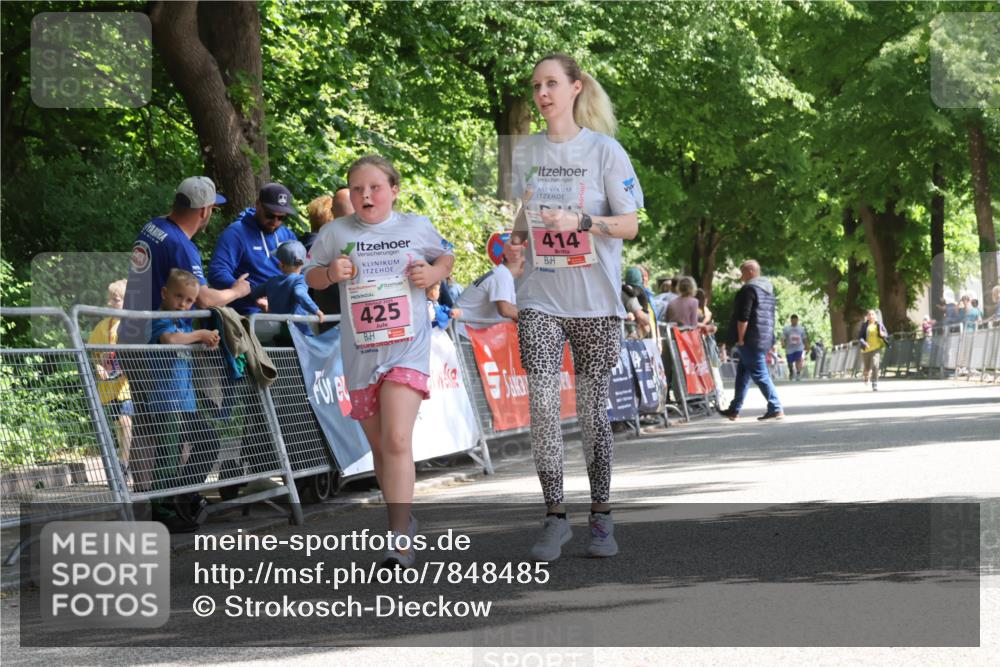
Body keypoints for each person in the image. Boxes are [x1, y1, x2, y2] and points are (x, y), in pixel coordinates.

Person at [504, 53, 643, 561]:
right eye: (536, 85)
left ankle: (601, 518)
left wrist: (583, 222)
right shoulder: (525, 153)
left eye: (551, 84)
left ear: (575, 89)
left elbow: (629, 225)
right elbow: (525, 217)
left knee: (591, 413)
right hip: (541, 297)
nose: (542, 93)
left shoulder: (606, 152)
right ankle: (554, 518)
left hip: (595, 302)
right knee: (541, 405)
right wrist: (513, 243)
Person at [303, 155, 455, 568]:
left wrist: (432, 273)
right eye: (357, 189)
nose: (366, 195)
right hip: (362, 353)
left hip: (407, 347)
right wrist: (331, 273)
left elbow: (446, 257)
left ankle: (398, 540)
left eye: (375, 187)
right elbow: (310, 276)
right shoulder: (335, 232)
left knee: (397, 440)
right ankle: (403, 518)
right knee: (380, 449)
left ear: (394, 190)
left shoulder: (415, 226)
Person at [120, 176, 250, 500]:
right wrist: (237, 291)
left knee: (148, 425)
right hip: (157, 346)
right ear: (204, 211)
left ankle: (146, 499)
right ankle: (168, 500)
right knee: (169, 428)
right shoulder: (180, 244)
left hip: (131, 335)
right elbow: (203, 298)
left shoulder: (152, 227)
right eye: (212, 209)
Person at [149, 269, 223, 531]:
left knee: (210, 442)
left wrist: (206, 341)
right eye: (179, 297)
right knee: (168, 456)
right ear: (164, 294)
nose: (183, 304)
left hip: (187, 404)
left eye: (189, 300)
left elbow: (185, 340)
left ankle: (182, 494)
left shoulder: (184, 323)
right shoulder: (162, 319)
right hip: (166, 404)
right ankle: (161, 508)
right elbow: (169, 339)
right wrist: (198, 336)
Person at [208, 182, 299, 316]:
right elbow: (217, 272)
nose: (275, 222)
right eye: (270, 215)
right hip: (249, 314)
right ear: (257, 205)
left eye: (281, 217)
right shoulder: (236, 233)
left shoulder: (288, 235)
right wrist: (252, 293)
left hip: (286, 312)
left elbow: (299, 272)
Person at [719, 260, 783, 421]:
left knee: (760, 374)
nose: (741, 278)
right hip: (764, 336)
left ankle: (776, 407)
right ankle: (734, 409)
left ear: (751, 272)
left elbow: (744, 316)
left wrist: (740, 338)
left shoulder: (749, 290)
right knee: (743, 373)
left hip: (750, 338)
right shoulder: (768, 290)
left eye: (743, 273)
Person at [88, 279, 134, 476]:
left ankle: (123, 463)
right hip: (109, 387)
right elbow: (94, 355)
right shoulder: (102, 327)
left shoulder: (133, 325)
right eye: (110, 299)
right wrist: (99, 368)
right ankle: (122, 461)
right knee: (119, 426)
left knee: (125, 421)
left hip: (127, 387)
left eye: (115, 300)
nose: (110, 303)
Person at [248, 240, 324, 338]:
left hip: (277, 331)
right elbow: (300, 294)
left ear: (281, 265)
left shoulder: (271, 282)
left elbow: (252, 293)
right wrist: (316, 310)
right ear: (303, 263)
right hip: (299, 332)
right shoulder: (300, 280)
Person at [455, 243, 524, 335]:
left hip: (464, 330)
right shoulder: (503, 275)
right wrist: (532, 320)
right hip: (463, 332)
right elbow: (506, 310)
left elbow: (513, 307)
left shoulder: (502, 273)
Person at [858, 308, 890, 391]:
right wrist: (865, 343)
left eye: (872, 314)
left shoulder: (879, 324)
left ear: (875, 316)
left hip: (876, 348)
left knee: (875, 365)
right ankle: (866, 376)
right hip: (866, 349)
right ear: (867, 317)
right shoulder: (864, 325)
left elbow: (886, 334)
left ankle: (874, 382)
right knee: (867, 368)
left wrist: (883, 335)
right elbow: (860, 337)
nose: (871, 316)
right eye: (869, 314)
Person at [622, 266, 654, 338]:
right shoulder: (631, 293)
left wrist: (624, 287)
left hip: (643, 316)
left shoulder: (638, 289)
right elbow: (640, 315)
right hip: (638, 321)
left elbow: (633, 293)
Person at [781, 314, 809, 381]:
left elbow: (804, 338)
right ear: (791, 320)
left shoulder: (801, 328)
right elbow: (783, 337)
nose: (794, 322)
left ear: (797, 320)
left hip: (799, 347)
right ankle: (791, 371)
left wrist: (807, 345)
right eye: (793, 320)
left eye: (795, 320)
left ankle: (798, 373)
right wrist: (783, 343)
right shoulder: (786, 328)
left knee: (798, 359)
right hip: (789, 348)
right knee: (790, 362)